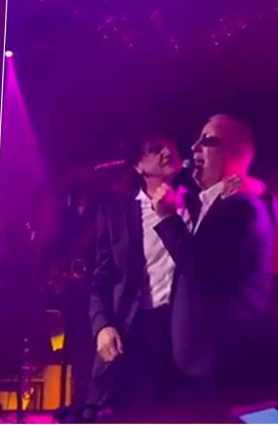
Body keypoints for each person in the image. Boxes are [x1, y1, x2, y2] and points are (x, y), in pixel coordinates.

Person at [152, 114, 278, 400]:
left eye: (208, 140)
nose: (194, 148)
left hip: (221, 367)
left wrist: (168, 219)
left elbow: (201, 270)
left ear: (235, 154)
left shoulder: (240, 208)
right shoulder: (223, 203)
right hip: (206, 365)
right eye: (197, 140)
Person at [87, 133, 196, 416]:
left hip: (179, 330)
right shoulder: (115, 211)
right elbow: (101, 279)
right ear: (138, 165)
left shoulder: (197, 203)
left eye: (170, 146)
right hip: (132, 327)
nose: (167, 152)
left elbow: (199, 267)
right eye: (156, 149)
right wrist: (102, 326)